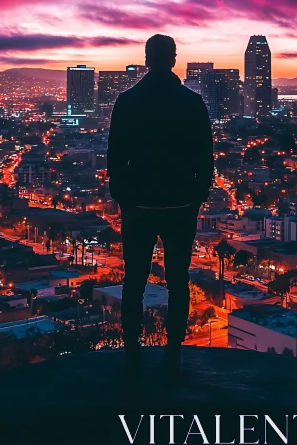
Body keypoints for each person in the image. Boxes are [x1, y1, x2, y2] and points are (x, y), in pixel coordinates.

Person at [107, 34, 214, 376]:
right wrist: (196, 196)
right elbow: (205, 157)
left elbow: (115, 157)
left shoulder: (126, 101)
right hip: (180, 205)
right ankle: (173, 350)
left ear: (146, 59)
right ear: (174, 59)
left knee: (134, 280)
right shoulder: (192, 103)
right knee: (177, 280)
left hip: (138, 206)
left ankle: (132, 351)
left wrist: (123, 196)